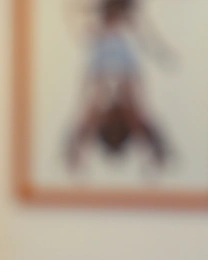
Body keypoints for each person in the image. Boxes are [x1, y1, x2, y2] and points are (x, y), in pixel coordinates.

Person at [66, 0, 173, 168]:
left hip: (118, 57)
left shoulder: (125, 19)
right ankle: (76, 153)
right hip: (105, 57)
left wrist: (160, 53)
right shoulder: (105, 20)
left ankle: (153, 153)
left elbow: (146, 36)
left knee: (129, 104)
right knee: (96, 103)